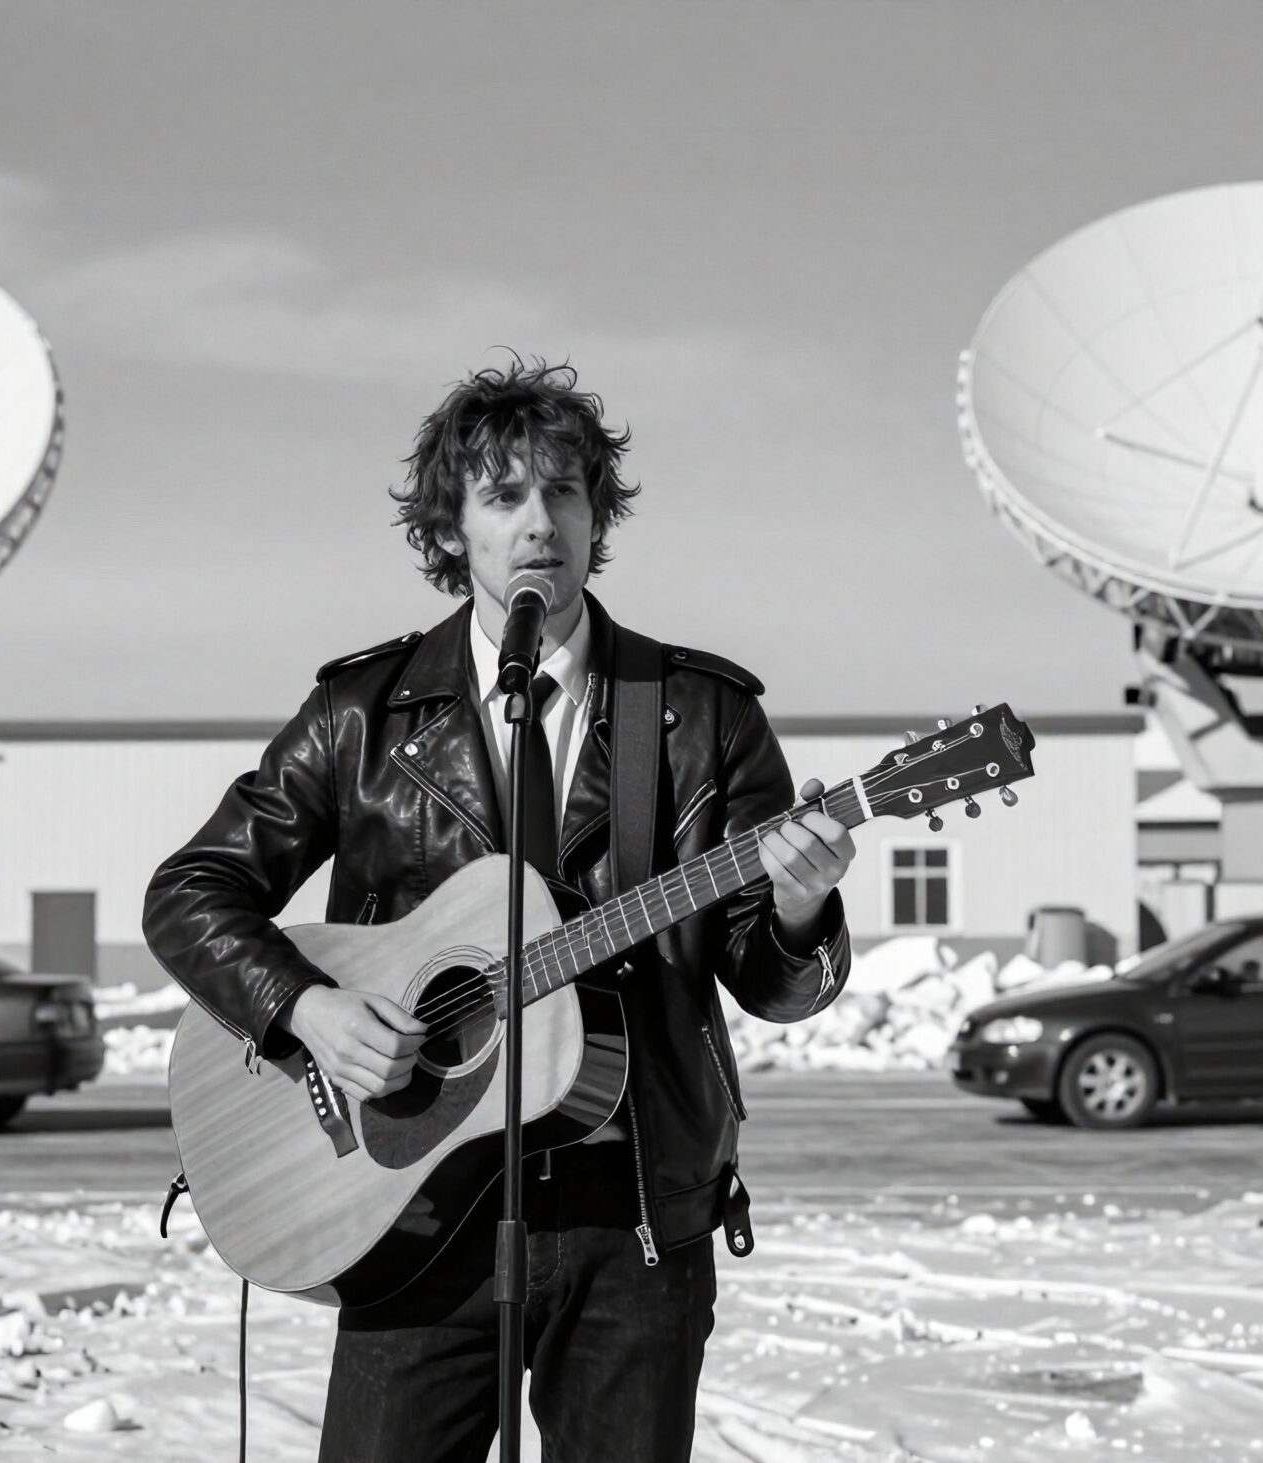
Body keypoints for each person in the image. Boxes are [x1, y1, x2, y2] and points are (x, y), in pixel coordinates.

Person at [144, 358, 857, 1462]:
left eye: (564, 491)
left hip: (631, 1215)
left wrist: (802, 908)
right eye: (503, 494)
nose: (539, 521)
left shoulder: (698, 714)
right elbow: (192, 893)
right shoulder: (364, 713)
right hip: (414, 1208)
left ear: (595, 515)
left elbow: (769, 977)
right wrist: (307, 1011)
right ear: (452, 528)